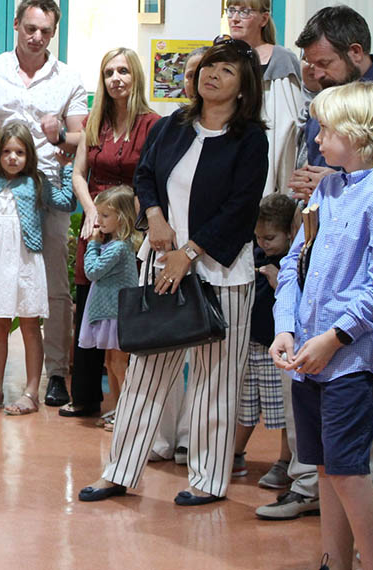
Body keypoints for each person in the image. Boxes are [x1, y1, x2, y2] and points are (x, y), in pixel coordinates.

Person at [79, 38, 268, 507]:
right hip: (162, 264)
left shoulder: (251, 139)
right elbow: (145, 175)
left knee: (215, 378)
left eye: (226, 70)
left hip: (222, 271)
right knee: (146, 370)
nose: (212, 75)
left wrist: (191, 251)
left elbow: (241, 207)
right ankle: (119, 470)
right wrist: (155, 217)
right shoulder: (173, 125)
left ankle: (208, 479)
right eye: (209, 67)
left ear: (244, 87)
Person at [268, 81, 373, 570]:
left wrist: (333, 338)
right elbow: (294, 264)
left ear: (359, 132)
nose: (317, 139)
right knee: (327, 469)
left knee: (350, 473)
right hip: (309, 355)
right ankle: (334, 561)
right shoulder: (328, 190)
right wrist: (285, 327)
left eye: (326, 129)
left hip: (352, 359)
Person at [0, 0, 87, 409]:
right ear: (16, 24)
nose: (36, 37)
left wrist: (58, 136)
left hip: (44, 191)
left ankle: (56, 374)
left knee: (52, 287)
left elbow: (79, 137)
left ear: (54, 33)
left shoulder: (68, 79)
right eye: (30, 28)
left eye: (45, 31)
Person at [67, 47, 158, 420]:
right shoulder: (94, 121)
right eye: (109, 73)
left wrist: (132, 219)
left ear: (135, 76)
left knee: (127, 310)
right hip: (97, 221)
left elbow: (154, 177)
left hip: (133, 226)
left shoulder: (152, 124)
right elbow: (78, 174)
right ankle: (85, 396)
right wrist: (91, 211)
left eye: (123, 71)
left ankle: (130, 402)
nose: (116, 79)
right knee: (88, 301)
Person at [0, 122, 75, 415]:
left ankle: (31, 392)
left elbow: (66, 202)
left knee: (29, 325)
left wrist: (66, 169)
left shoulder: (37, 182)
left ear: (29, 156)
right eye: (6, 152)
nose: (12, 157)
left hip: (25, 261)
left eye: (19, 152)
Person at [232, 193, 296, 488]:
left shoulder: (292, 263)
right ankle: (234, 453)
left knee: (282, 408)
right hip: (251, 341)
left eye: (270, 238)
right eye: (259, 237)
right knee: (245, 403)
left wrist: (277, 279)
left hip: (277, 346)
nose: (263, 243)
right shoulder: (255, 254)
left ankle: (286, 461)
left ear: (289, 233)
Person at [289, 5, 373, 203]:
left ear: (355, 52)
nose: (317, 74)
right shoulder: (324, 99)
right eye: (312, 64)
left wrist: (339, 184)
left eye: (324, 64)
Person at [225, 0, 304, 194]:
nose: (235, 18)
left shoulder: (281, 59)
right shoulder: (223, 56)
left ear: (264, 18)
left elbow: (290, 123)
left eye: (244, 12)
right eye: (231, 11)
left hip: (266, 148)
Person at [74, 185, 139, 422]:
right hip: (109, 313)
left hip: (117, 315)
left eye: (104, 215)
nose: (98, 220)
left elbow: (92, 271)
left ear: (121, 218)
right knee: (110, 363)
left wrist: (92, 244)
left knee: (119, 363)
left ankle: (127, 412)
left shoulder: (119, 248)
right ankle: (118, 408)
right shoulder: (112, 245)